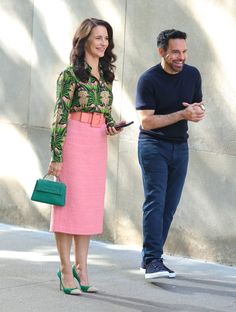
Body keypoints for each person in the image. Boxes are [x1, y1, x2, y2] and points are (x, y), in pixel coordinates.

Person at [48, 18, 122, 295]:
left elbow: (103, 111)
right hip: (74, 140)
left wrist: (111, 125)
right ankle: (65, 269)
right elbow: (59, 115)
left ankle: (82, 267)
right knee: (68, 206)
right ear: (85, 40)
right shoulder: (70, 75)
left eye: (106, 38)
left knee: (88, 207)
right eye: (98, 37)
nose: (103, 43)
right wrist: (56, 154)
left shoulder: (107, 76)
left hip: (97, 141)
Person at [135, 29, 205, 280]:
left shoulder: (193, 74)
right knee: (156, 202)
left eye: (184, 51)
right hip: (153, 146)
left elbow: (196, 104)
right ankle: (154, 260)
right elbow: (147, 122)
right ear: (161, 51)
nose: (181, 57)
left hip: (180, 147)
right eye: (175, 51)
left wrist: (197, 111)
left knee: (169, 206)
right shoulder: (148, 80)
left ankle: (148, 258)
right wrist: (181, 115)